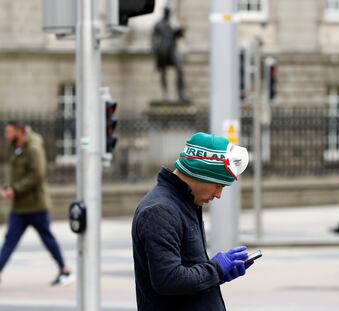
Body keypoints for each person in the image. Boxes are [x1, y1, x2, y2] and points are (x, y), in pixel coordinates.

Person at [132, 132, 252, 311]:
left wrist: (219, 274)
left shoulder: (184, 204)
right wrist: (216, 269)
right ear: (201, 174)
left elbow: (187, 272)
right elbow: (168, 279)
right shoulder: (160, 211)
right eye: (218, 185)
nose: (218, 195)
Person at [0, 121, 73, 286]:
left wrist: (16, 190)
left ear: (18, 131)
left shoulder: (33, 148)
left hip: (35, 205)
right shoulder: (18, 147)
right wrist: (9, 187)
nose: (6, 135)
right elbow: (17, 173)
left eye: (9, 131)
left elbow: (37, 175)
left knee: (47, 238)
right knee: (10, 240)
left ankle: (64, 269)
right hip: (20, 206)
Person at [151, 7, 189, 102]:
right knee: (163, 72)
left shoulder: (173, 24)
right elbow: (153, 39)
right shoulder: (158, 24)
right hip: (163, 51)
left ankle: (181, 93)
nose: (168, 14)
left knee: (179, 69)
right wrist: (155, 52)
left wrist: (181, 30)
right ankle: (165, 94)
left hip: (172, 50)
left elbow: (179, 35)